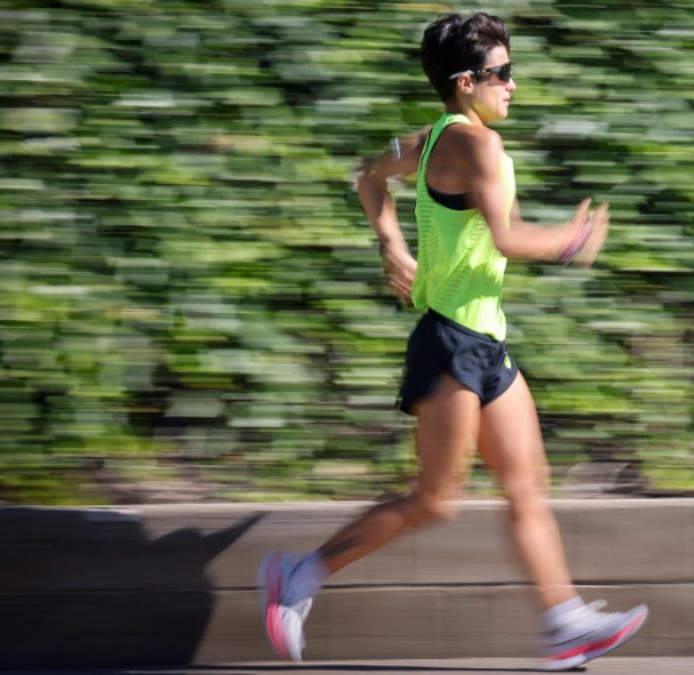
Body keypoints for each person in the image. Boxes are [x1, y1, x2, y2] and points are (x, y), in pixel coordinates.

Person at [258, 12, 647, 671]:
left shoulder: (428, 137)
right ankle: (300, 572)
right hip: (450, 343)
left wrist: (394, 249)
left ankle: (563, 623)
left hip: (485, 340)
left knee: (527, 486)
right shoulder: (479, 148)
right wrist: (575, 242)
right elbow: (510, 238)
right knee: (436, 501)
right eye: (503, 73)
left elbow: (367, 175)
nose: (514, 85)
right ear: (467, 82)